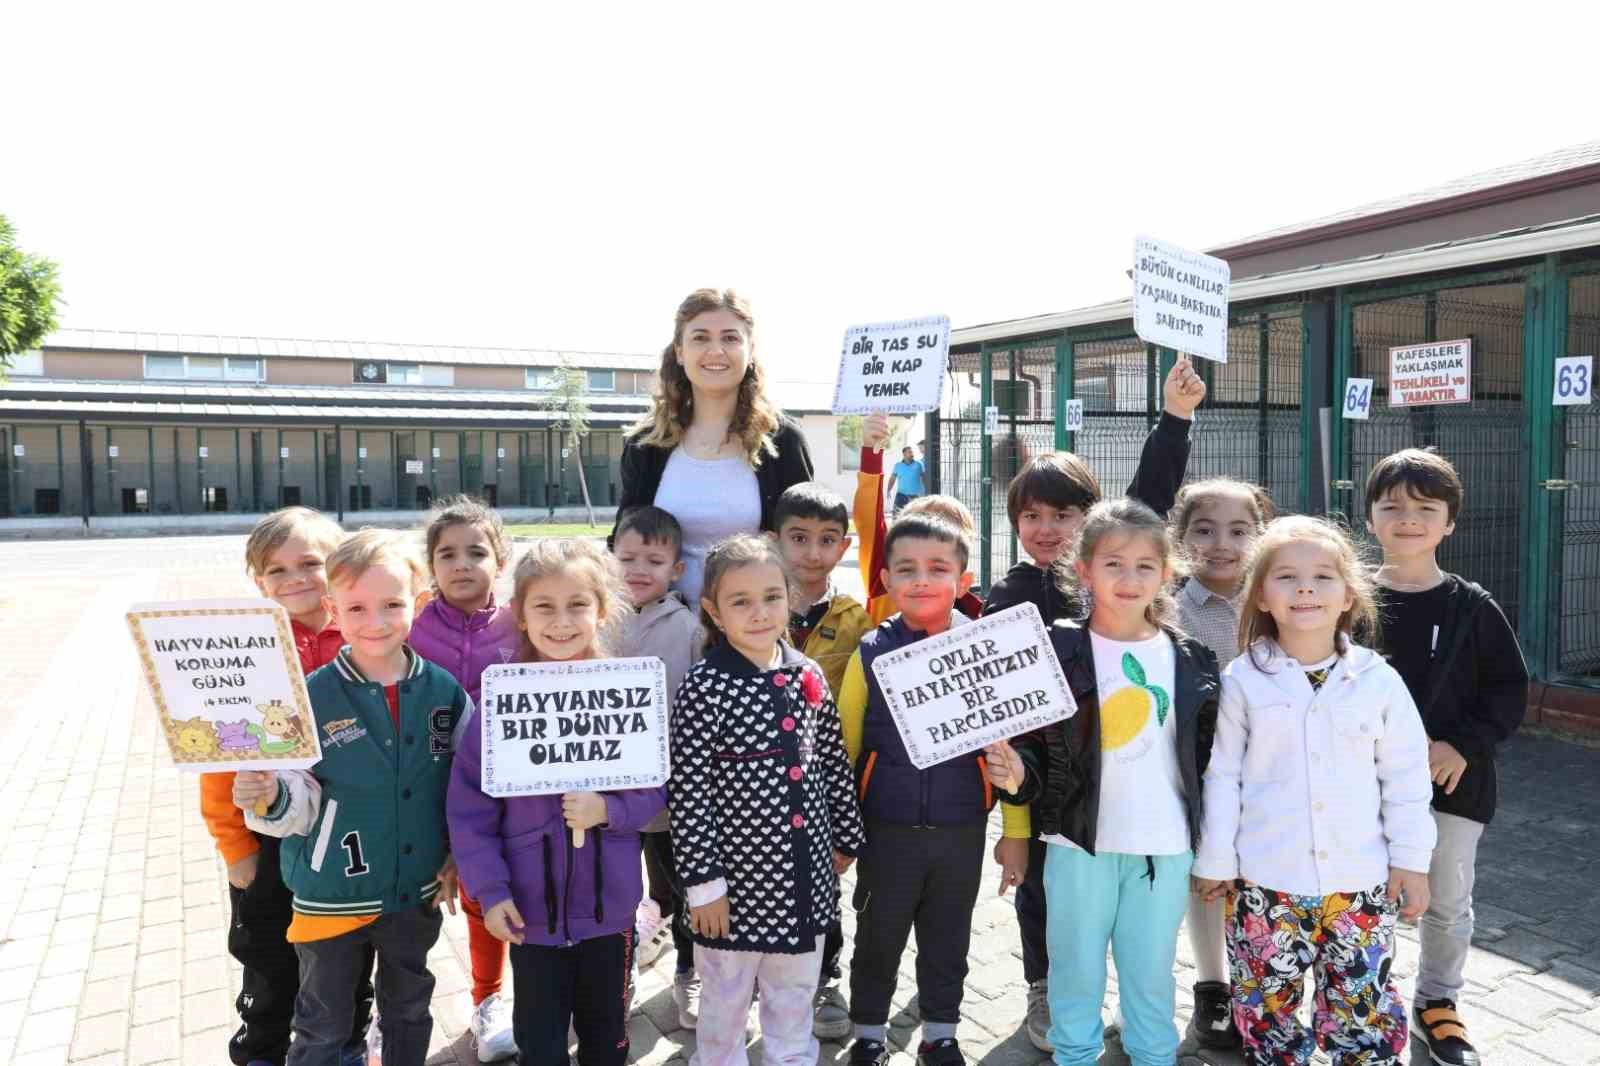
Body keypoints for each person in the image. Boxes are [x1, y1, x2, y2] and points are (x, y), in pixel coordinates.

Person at [981, 354, 1206, 1053]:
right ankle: (1046, 994)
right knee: (1048, 912)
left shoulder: (1179, 649)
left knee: (1145, 971)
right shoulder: (1013, 600)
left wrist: (1174, 418)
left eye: (1066, 514)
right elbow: (1009, 720)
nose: (1048, 527)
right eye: (1033, 515)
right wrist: (1015, 814)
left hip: (1151, 837)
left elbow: (1148, 499)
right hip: (1062, 812)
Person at [1191, 515, 1435, 1066]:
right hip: (1265, 882)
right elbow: (1223, 774)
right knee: (1266, 1006)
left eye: (1323, 576)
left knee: (1360, 1005)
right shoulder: (1242, 680)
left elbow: (1406, 777)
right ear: (1261, 596)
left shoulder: (1379, 681)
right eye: (1287, 577)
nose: (1306, 588)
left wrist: (1413, 862)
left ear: (1349, 595)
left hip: (1361, 884)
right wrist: (1216, 859)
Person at [234, 529, 471, 1066]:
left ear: (421, 601)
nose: (376, 621)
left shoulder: (444, 692)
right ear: (332, 608)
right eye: (357, 607)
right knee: (322, 1023)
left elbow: (464, 786)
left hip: (417, 889)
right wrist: (268, 795)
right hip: (330, 893)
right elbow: (292, 799)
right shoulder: (307, 696)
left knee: (409, 1007)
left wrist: (459, 855)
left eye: (392, 604)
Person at [448, 538, 666, 1066]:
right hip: (530, 914)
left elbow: (654, 789)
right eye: (544, 606)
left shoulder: (625, 691)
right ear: (519, 615)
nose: (561, 621)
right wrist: (492, 891)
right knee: (541, 1044)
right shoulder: (498, 704)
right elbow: (470, 810)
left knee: (607, 1038)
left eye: (577, 605)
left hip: (608, 913)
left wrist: (608, 811)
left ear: (602, 610)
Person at [837, 515, 1031, 1066]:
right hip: (885, 831)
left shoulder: (985, 651)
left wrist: (1015, 832)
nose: (921, 580)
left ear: (965, 580)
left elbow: (1006, 752)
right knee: (878, 937)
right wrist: (843, 833)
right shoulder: (870, 654)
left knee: (948, 939)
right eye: (907, 569)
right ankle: (869, 1034)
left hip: (961, 829)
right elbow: (844, 751)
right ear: (885, 579)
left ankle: (939, 1034)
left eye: (938, 569)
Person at [670, 534, 865, 1066]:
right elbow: (689, 792)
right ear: (713, 609)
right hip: (732, 891)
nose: (759, 614)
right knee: (726, 1000)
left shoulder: (809, 674)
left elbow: (831, 761)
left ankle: (791, 1058)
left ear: (790, 596)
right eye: (740, 601)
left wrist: (846, 835)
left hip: (802, 881)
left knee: (793, 994)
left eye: (772, 597)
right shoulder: (705, 687)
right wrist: (704, 884)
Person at [1363, 448, 1529, 1066]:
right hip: (1363, 787)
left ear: (1450, 522)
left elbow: (1509, 691)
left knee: (1446, 900)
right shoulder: (1345, 600)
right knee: (1360, 896)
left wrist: (1463, 743)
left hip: (1453, 786)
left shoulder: (1472, 607)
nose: (1409, 518)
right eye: (1393, 506)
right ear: (1371, 517)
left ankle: (1437, 1002)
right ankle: (1364, 993)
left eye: (1425, 508)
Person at [200, 506, 374, 1066]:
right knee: (270, 957)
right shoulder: (247, 653)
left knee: (351, 952)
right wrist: (235, 848)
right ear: (258, 583)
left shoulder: (366, 637)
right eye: (276, 571)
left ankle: (349, 1043)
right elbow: (218, 760)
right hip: (270, 839)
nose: (295, 579)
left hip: (349, 835)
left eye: (310, 563)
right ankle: (263, 1051)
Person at [406, 495, 520, 1063]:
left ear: (500, 559)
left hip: (498, 796)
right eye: (446, 554)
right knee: (410, 903)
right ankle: (391, 1009)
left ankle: (488, 1000)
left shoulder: (522, 622)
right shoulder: (412, 628)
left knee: (484, 896)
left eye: (476, 552)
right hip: (424, 790)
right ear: (431, 565)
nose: (460, 564)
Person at [613, 288, 814, 607]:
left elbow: (805, 543)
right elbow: (621, 544)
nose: (716, 350)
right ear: (679, 351)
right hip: (660, 635)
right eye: (701, 338)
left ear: (750, 350)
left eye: (731, 338)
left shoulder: (784, 440)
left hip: (752, 634)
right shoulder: (646, 444)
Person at [1169, 477, 1274, 1051]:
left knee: (1260, 879)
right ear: (1180, 538)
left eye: (1239, 531)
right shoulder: (1167, 608)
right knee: (1204, 878)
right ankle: (1212, 985)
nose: (1221, 544)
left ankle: (1261, 985)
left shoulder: (1279, 600)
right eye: (1203, 530)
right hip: (1195, 771)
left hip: (1265, 774)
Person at [768, 482, 872, 1039]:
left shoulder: (856, 618)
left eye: (827, 540)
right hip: (758, 781)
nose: (812, 552)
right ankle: (752, 971)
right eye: (799, 538)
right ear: (773, 539)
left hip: (827, 779)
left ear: (844, 546)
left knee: (825, 883)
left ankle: (826, 976)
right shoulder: (754, 606)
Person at [611, 506, 708, 1019]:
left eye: (653, 559)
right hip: (612, 798)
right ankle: (621, 967)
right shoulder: (595, 622)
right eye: (627, 557)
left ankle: (688, 970)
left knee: (682, 884)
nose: (638, 569)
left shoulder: (690, 630)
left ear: (677, 569)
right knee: (618, 886)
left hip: (673, 795)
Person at [852, 413, 982, 624]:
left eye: (946, 532)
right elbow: (869, 521)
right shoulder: (885, 581)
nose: (921, 581)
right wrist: (871, 451)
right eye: (918, 526)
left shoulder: (978, 619)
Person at [886, 445, 926, 514]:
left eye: (912, 452)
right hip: (901, 495)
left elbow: (924, 478)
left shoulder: (919, 464)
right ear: (904, 454)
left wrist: (925, 492)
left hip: (915, 496)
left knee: (916, 518)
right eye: (909, 452)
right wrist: (889, 490)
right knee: (896, 516)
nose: (912, 454)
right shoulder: (898, 466)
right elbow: (892, 479)